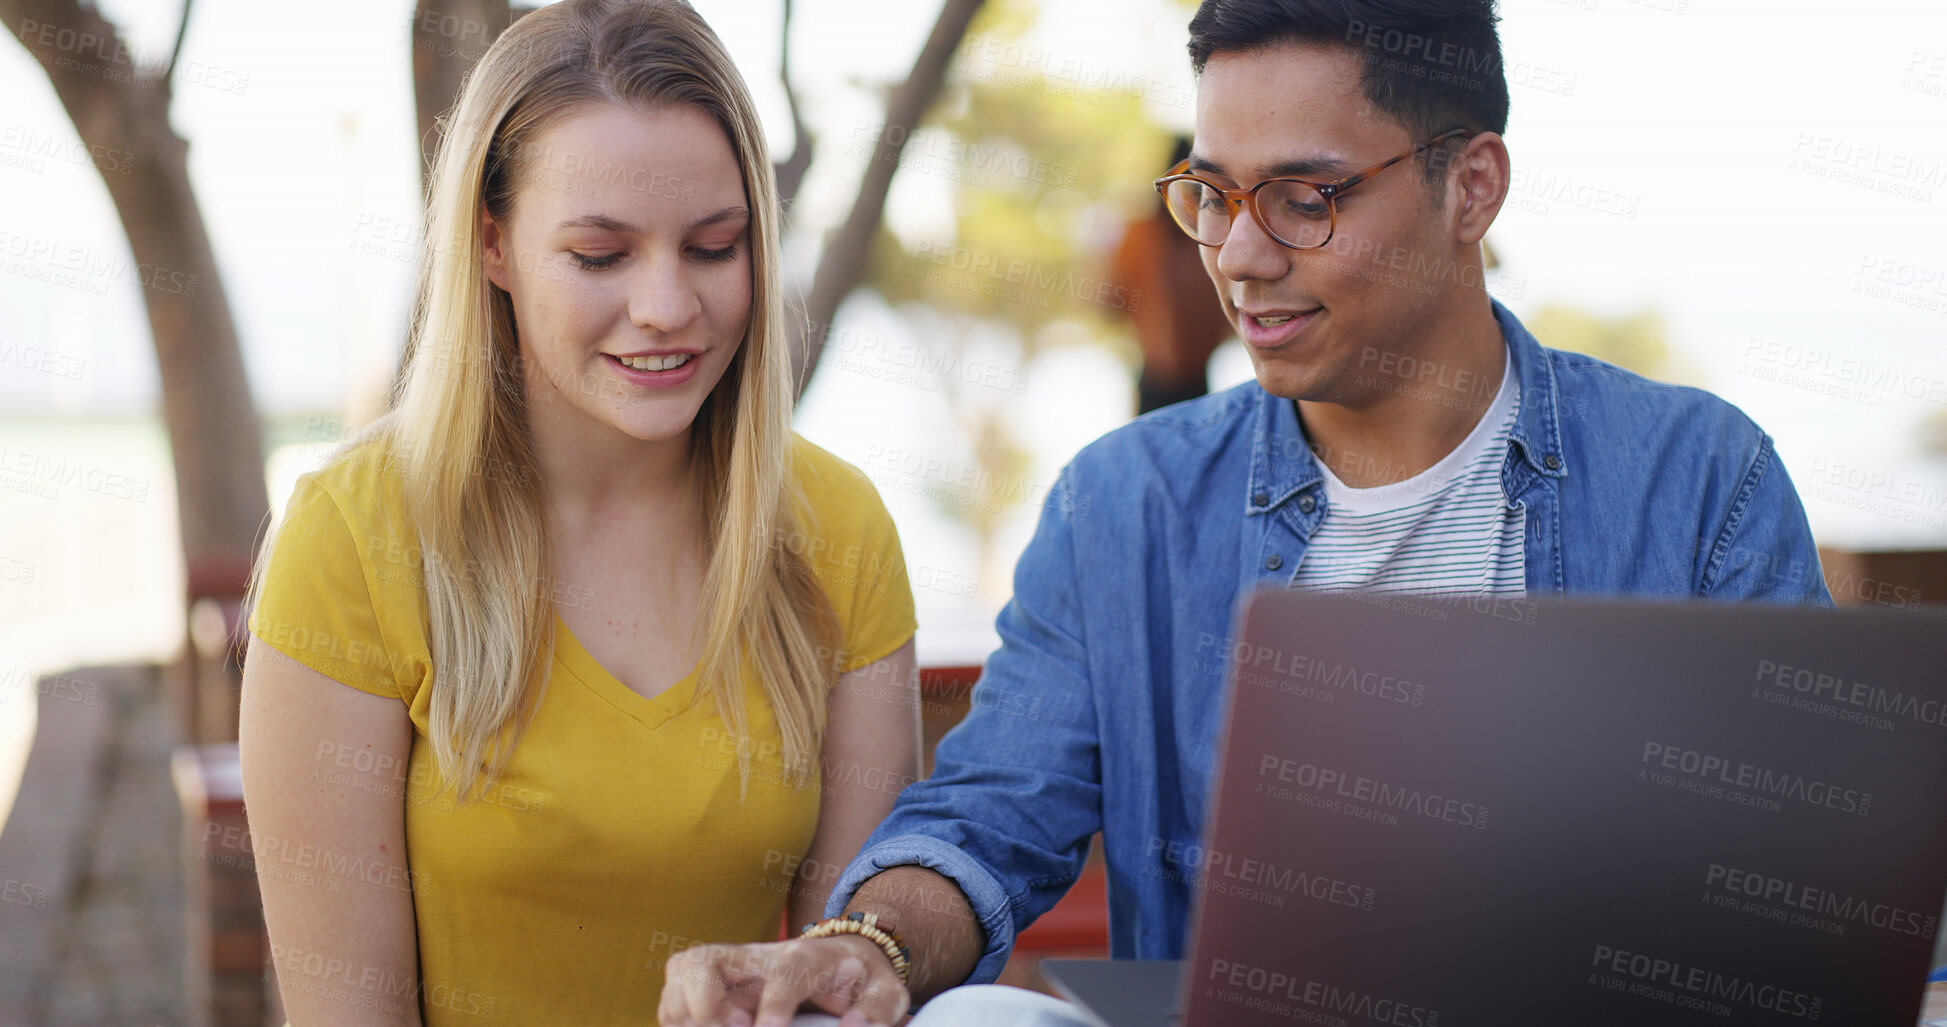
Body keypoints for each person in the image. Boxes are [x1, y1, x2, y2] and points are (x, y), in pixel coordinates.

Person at [657, 0, 1835, 1025]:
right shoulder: (1126, 506)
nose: (1240, 256)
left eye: (1305, 198)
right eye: (1211, 195)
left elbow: (1802, 882)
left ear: (1471, 187)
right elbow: (988, 820)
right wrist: (863, 950)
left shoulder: (1697, 482)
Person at [238, 1, 920, 1023]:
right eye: (600, 256)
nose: (665, 306)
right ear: (493, 244)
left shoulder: (839, 528)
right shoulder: (350, 538)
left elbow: (845, 981)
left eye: (713, 246)